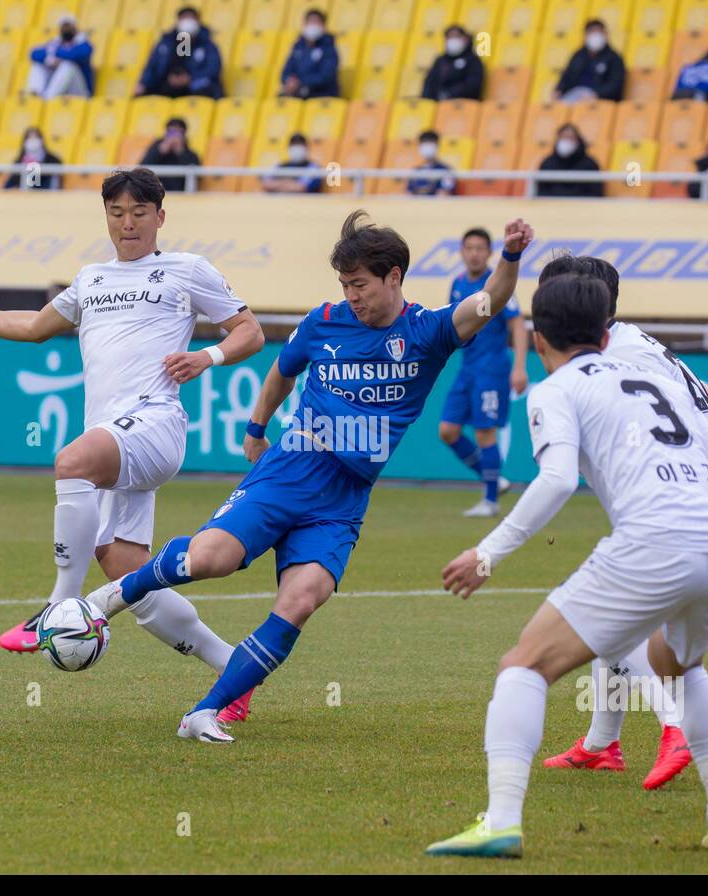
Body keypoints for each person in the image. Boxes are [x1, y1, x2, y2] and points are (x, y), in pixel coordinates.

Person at [81, 212, 536, 743]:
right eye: (345, 285)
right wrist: (256, 426)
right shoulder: (323, 321)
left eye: (360, 285)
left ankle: (204, 712)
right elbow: (282, 369)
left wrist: (510, 256)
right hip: (292, 467)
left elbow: (492, 301)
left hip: (342, 499)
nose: (352, 296)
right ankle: (105, 601)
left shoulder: (429, 331)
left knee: (301, 600)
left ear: (394, 278)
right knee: (211, 559)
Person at [425, 271, 708, 858]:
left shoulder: (555, 389)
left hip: (657, 542)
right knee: (679, 666)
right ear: (606, 335)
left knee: (523, 666)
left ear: (537, 340)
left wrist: (487, 553)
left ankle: (501, 822)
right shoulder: (654, 373)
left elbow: (555, 481)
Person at [0, 168, 267, 722]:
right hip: (116, 438)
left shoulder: (186, 270)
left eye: (139, 212)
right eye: (117, 213)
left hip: (155, 425)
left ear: (160, 217)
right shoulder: (91, 279)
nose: (128, 223)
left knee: (71, 461)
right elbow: (33, 327)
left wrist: (206, 357)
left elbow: (249, 330)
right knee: (129, 578)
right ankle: (234, 670)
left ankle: (58, 605)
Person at [536, 254, 708, 789]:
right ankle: (602, 745)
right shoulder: (642, 344)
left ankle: (675, 728)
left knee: (617, 627)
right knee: (622, 626)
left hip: (683, 516)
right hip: (702, 509)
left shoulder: (611, 361)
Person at [438, 228, 527, 516]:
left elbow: (517, 324)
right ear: (462, 252)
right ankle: (494, 479)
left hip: (491, 369)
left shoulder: (496, 284)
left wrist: (520, 367)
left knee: (484, 433)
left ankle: (490, 501)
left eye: (480, 248)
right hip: (467, 368)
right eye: (469, 248)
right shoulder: (458, 283)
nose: (474, 253)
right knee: (447, 431)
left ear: (489, 253)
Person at [135, 7, 223, 99]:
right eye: (185, 18)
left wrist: (189, 78)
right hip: (168, 85)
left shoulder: (207, 45)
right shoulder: (166, 43)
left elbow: (213, 68)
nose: (188, 22)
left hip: (195, 86)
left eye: (191, 18)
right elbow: (153, 67)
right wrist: (143, 83)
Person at [554, 20, 625, 103]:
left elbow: (615, 86)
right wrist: (559, 89)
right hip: (575, 94)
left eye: (598, 32)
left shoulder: (614, 58)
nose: (595, 36)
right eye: (592, 32)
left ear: (605, 34)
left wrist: (597, 94)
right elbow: (567, 76)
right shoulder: (578, 55)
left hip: (598, 99)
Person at [26, 14, 94, 99]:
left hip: (80, 92)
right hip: (61, 90)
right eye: (64, 26)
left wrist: (56, 57)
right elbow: (34, 54)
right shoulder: (56, 43)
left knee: (68, 66)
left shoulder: (83, 43)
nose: (66, 29)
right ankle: (35, 94)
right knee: (38, 65)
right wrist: (50, 60)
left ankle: (47, 99)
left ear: (75, 27)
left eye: (68, 26)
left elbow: (75, 55)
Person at [280, 9, 339, 99]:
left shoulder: (329, 49)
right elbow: (286, 70)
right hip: (298, 93)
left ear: (323, 26)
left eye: (316, 22)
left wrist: (300, 82)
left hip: (320, 95)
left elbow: (326, 76)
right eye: (310, 22)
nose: (312, 25)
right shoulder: (298, 47)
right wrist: (288, 81)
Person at [535, 123, 603, 198]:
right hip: (552, 206)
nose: (566, 141)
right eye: (563, 137)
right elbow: (541, 191)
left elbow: (595, 193)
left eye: (570, 138)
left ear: (578, 140)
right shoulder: (547, 163)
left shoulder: (589, 164)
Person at [422, 25, 484, 101]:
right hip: (437, 103)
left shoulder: (473, 60)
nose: (452, 40)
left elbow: (473, 84)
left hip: (462, 104)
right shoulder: (440, 60)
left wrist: (450, 94)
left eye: (456, 37)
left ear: (465, 39)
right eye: (449, 37)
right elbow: (429, 82)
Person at [140, 117, 201, 193]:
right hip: (155, 193)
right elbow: (143, 167)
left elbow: (196, 174)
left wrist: (180, 152)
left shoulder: (190, 154)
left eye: (178, 133)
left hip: (180, 195)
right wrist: (160, 151)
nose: (174, 137)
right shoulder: (156, 148)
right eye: (171, 132)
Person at [406, 130, 456, 196]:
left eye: (430, 143)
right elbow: (408, 194)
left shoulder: (445, 170)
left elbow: (444, 194)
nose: (427, 146)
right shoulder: (416, 171)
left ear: (437, 145)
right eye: (424, 143)